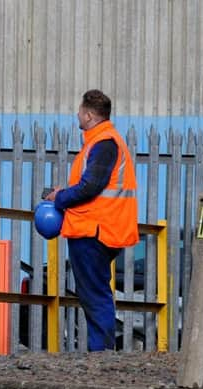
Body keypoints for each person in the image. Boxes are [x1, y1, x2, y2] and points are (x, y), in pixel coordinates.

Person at [45, 90, 139, 351]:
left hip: (94, 230)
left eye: (79, 111)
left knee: (95, 294)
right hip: (101, 228)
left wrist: (59, 197)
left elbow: (91, 186)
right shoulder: (102, 141)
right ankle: (101, 350)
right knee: (94, 292)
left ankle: (101, 352)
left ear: (88, 114)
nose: (77, 114)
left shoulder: (104, 143)